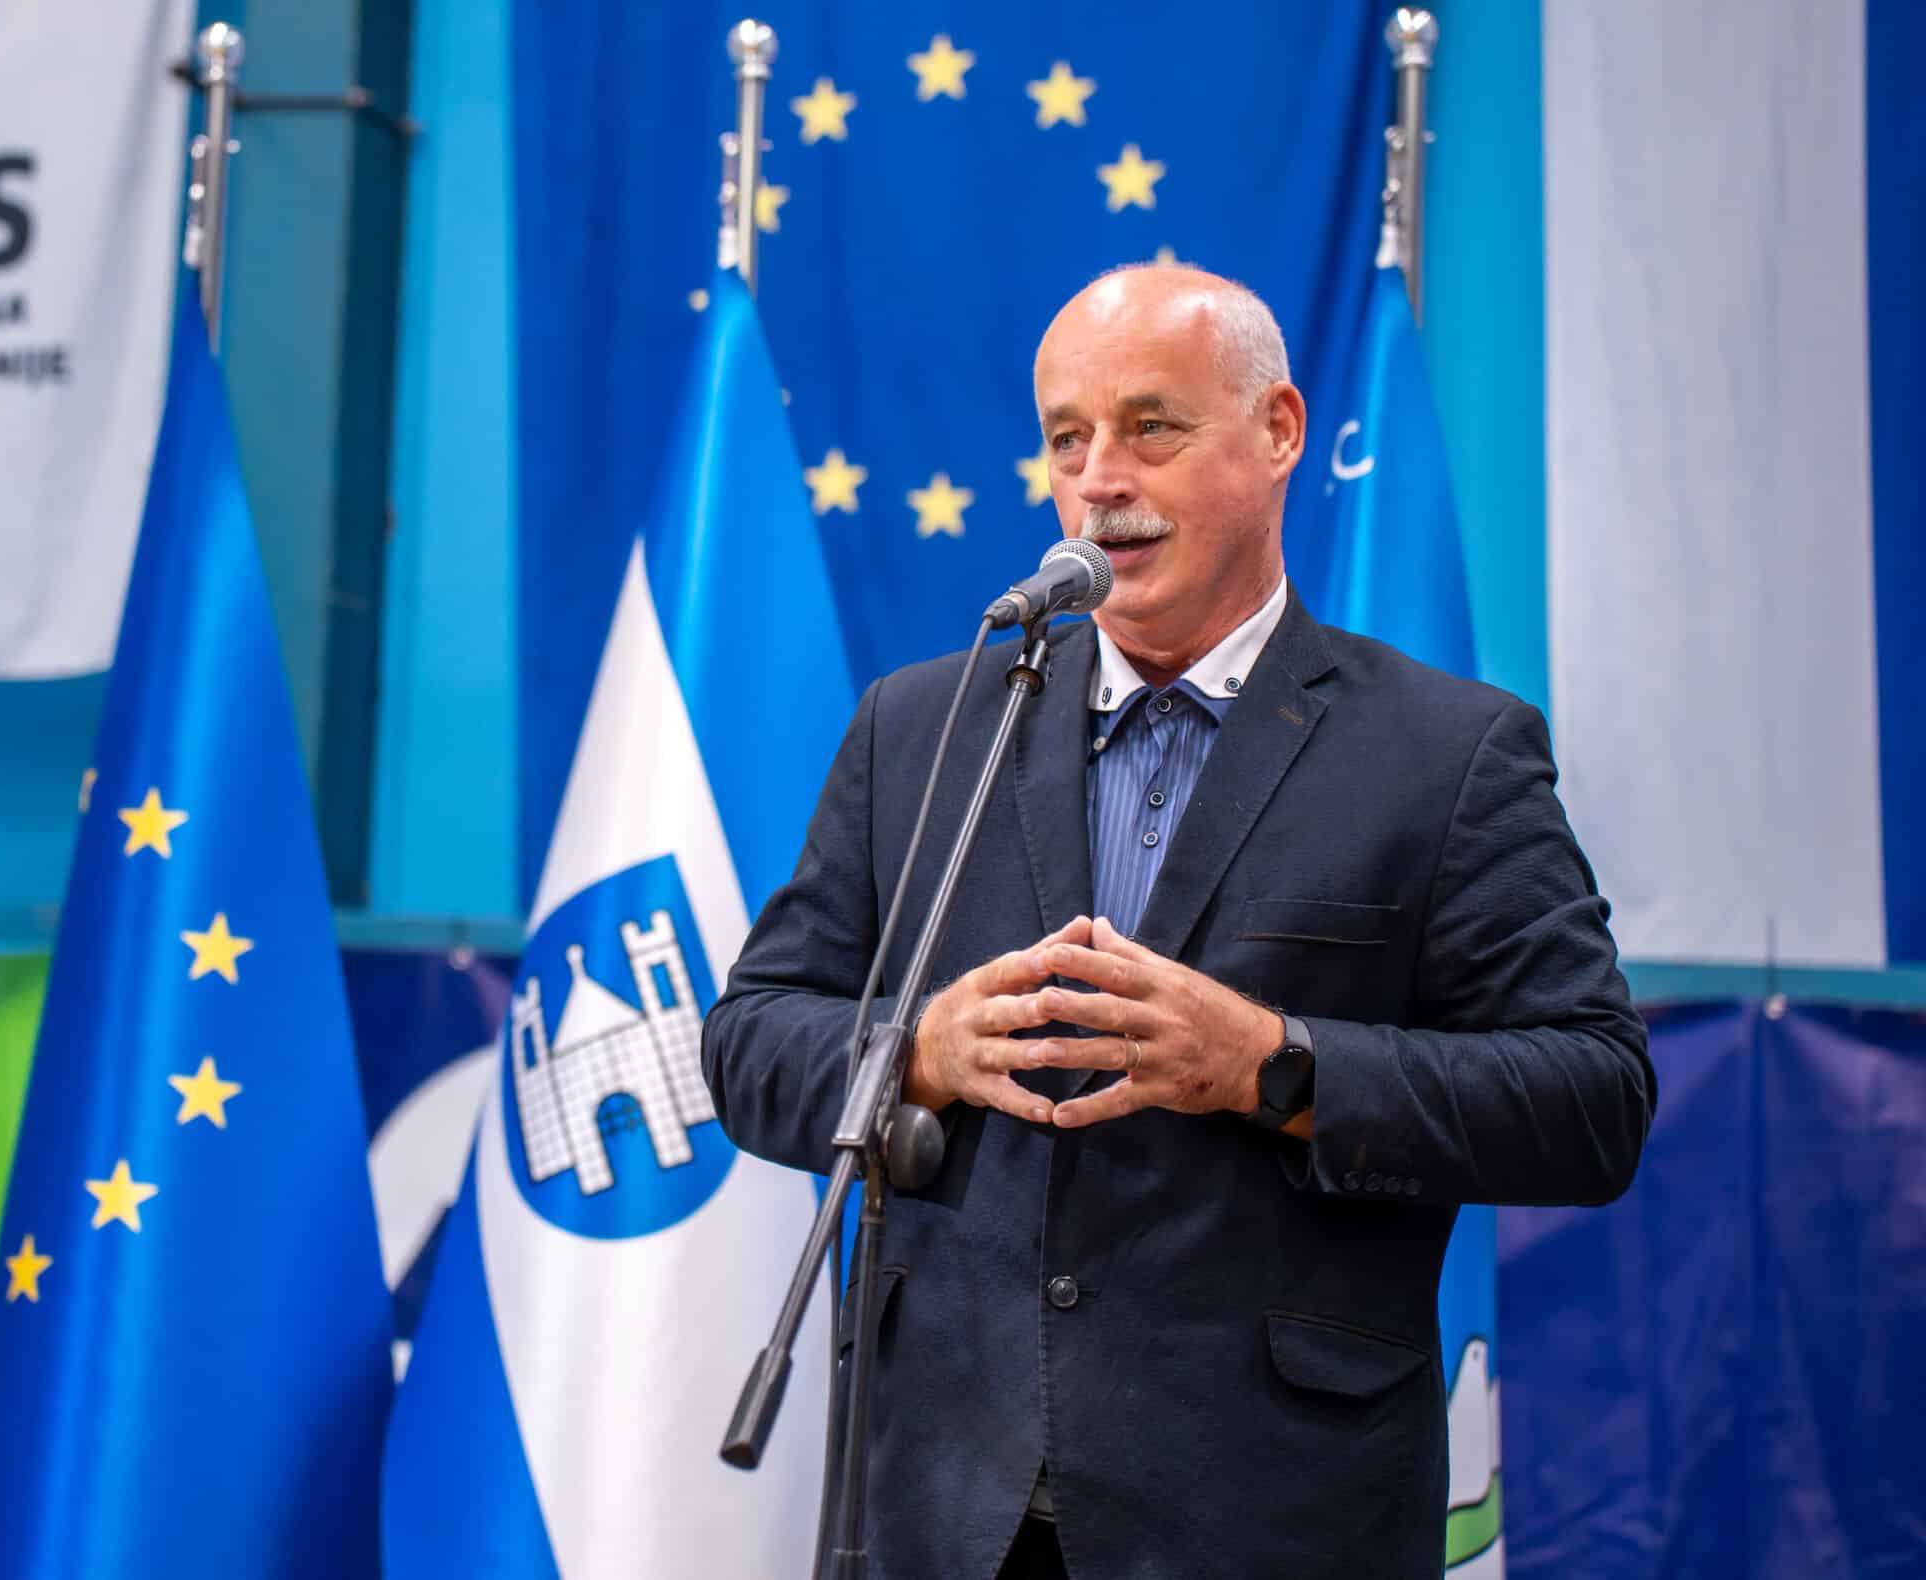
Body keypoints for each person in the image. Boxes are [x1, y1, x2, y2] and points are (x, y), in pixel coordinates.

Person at [701, 264, 1654, 1580]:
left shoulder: (1448, 755)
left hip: (1271, 1515)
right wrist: (919, 1052)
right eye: (1067, 438)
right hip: (942, 1505)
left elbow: (1592, 1099)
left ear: (1278, 431)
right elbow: (749, 1042)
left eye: (1152, 427)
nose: (1101, 479)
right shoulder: (922, 727)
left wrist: (1274, 1063)